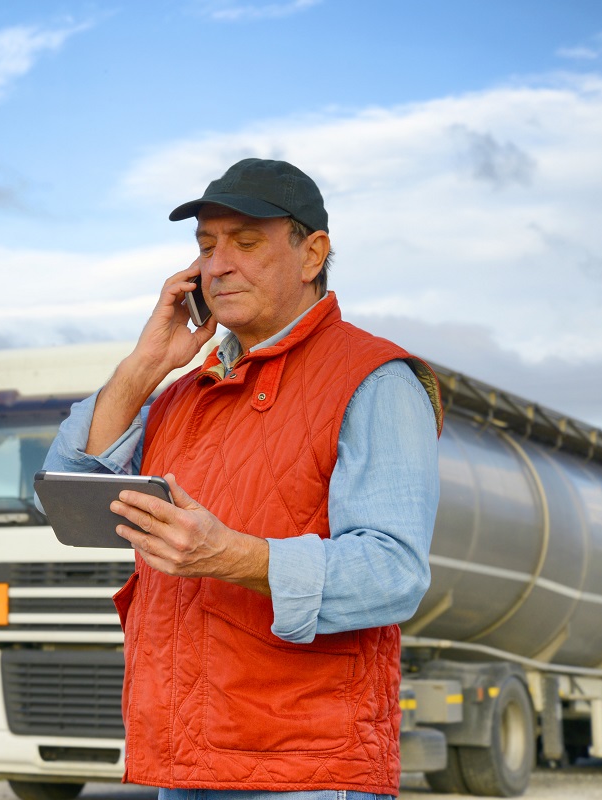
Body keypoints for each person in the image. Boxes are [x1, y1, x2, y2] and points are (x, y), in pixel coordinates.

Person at [42, 158, 443, 799]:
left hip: (303, 770)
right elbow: (64, 495)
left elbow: (394, 573)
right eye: (205, 246)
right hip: (184, 762)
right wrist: (145, 366)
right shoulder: (180, 394)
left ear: (312, 254)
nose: (217, 265)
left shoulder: (375, 379)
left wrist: (230, 556)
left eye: (246, 243)